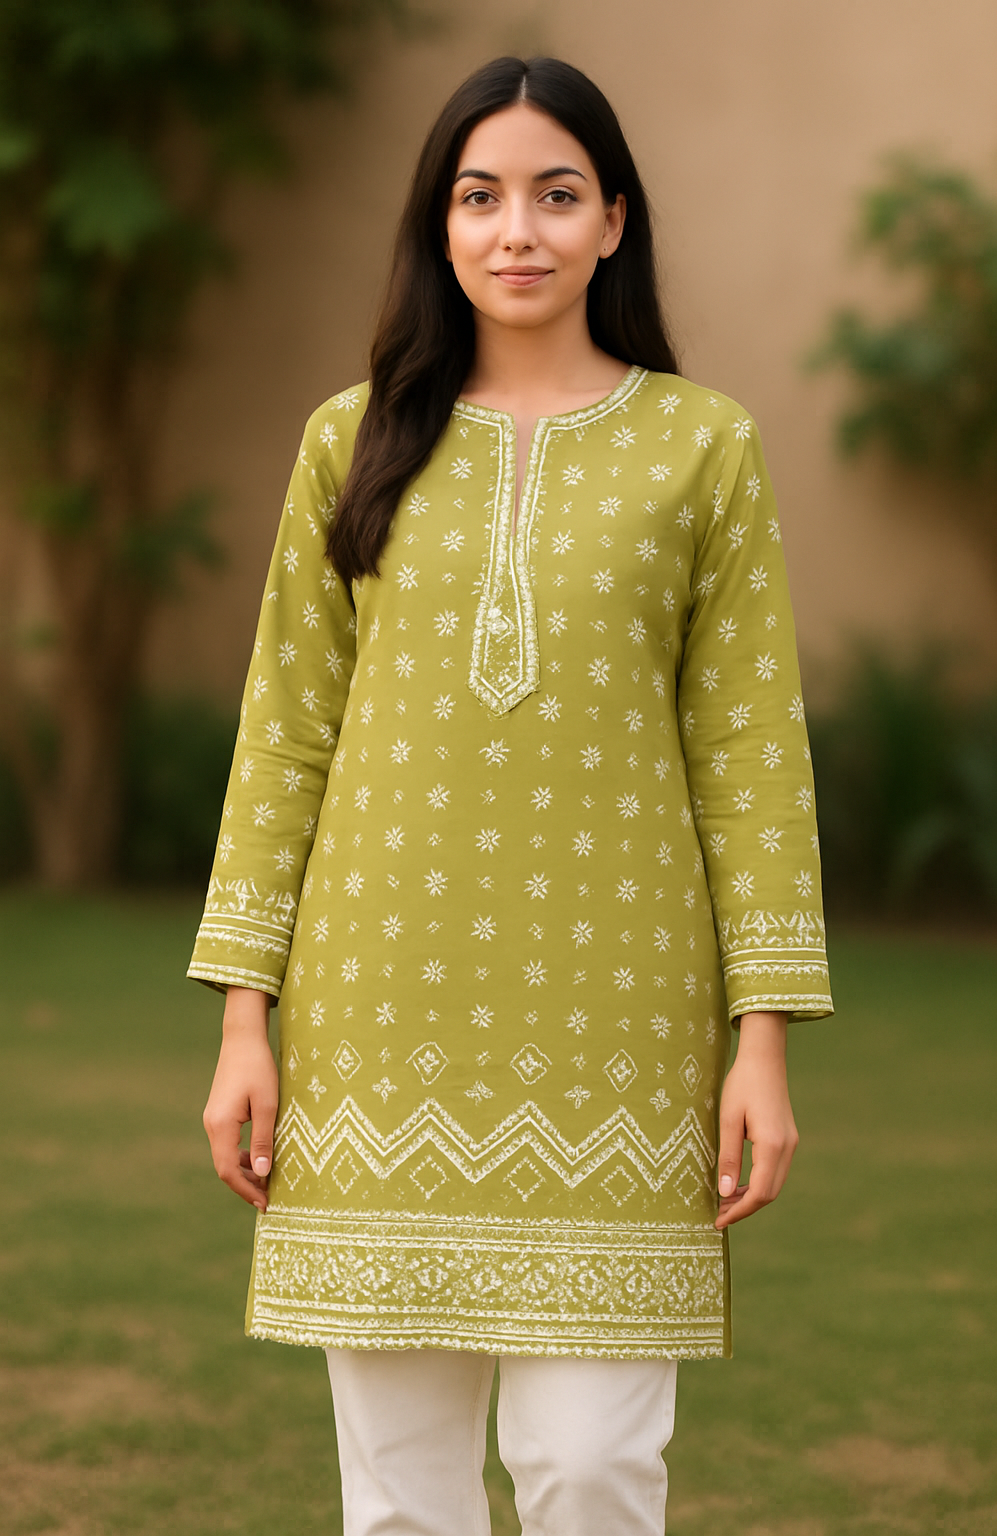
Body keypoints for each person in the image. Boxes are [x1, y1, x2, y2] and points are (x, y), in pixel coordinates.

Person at [190, 54, 833, 1536]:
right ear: (439, 226)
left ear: (616, 220)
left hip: (619, 1036)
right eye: (479, 197)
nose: (517, 230)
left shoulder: (701, 447)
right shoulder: (351, 441)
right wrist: (244, 1019)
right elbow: (285, 732)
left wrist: (763, 1042)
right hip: (377, 1025)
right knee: (401, 1495)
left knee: (594, 1465)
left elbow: (752, 752)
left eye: (556, 194)